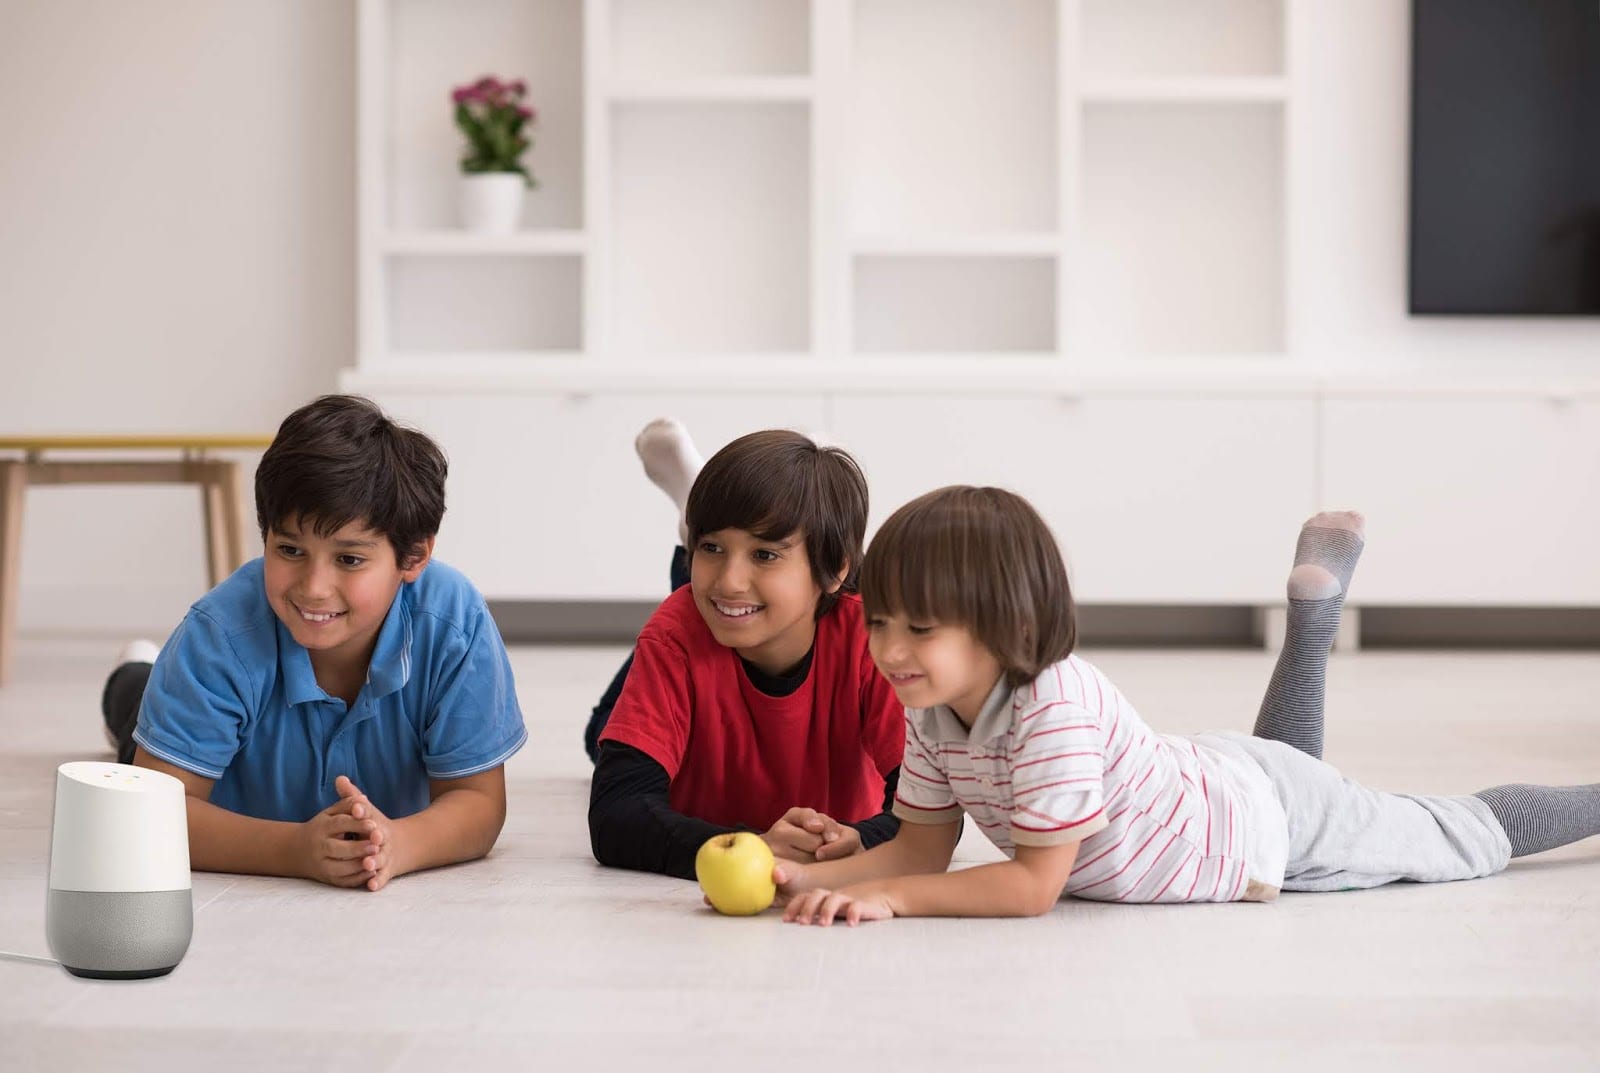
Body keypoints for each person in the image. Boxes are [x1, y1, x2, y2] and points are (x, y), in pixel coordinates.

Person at [773, 486, 1600, 925]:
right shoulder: (930, 701)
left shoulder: (1049, 706)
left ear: (1007, 626)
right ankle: (1312, 619)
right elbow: (919, 850)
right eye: (878, 622)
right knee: (1293, 772)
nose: (887, 650)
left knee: (1465, 832)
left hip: (1254, 822)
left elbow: (1030, 886)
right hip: (1216, 781)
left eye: (919, 628)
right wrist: (800, 877)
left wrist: (889, 899)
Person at [100, 395, 526, 892]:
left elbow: (478, 801)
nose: (313, 587)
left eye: (348, 559)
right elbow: (155, 816)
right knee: (135, 708)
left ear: (413, 556)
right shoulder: (220, 633)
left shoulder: (453, 623)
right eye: (290, 550)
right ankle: (135, 673)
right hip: (199, 719)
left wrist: (399, 843)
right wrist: (295, 851)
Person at [587, 421, 905, 879]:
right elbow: (616, 814)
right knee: (602, 733)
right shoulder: (676, 632)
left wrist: (863, 843)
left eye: (765, 554)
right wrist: (752, 848)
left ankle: (697, 524)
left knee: (720, 602)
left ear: (834, 570)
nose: (730, 577)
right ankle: (701, 532)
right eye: (711, 546)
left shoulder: (874, 638)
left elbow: (934, 814)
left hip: (743, 618)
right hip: (699, 629)